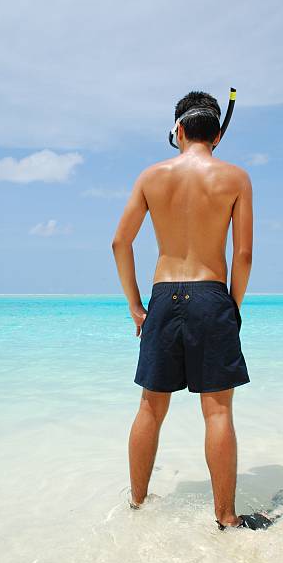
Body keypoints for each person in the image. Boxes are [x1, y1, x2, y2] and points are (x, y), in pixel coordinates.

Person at [111, 90, 257, 530]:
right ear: (217, 133)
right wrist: (231, 306)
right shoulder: (235, 177)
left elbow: (121, 242)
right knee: (217, 411)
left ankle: (137, 505)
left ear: (177, 129)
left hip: (163, 294)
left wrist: (137, 306)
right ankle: (226, 518)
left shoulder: (151, 176)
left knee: (150, 409)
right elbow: (244, 255)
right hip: (211, 295)